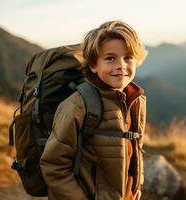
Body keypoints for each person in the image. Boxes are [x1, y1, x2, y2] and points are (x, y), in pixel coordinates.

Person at [40, 20, 148, 200]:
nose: (121, 65)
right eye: (110, 58)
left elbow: (136, 148)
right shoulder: (78, 105)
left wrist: (136, 186)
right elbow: (54, 165)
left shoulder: (136, 100)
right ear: (93, 65)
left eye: (128, 57)